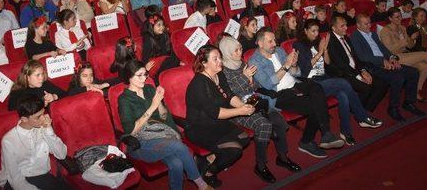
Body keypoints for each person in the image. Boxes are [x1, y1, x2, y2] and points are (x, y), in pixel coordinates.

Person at [249, 28, 344, 158]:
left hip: (295, 83)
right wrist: (286, 66)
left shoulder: (279, 51)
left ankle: (326, 133)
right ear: (260, 43)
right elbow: (268, 84)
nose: (274, 44)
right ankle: (306, 142)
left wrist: (293, 65)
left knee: (316, 88)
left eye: (274, 41)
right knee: (314, 106)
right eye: (270, 41)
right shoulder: (255, 61)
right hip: (279, 94)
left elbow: (296, 73)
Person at [118, 60, 211, 190]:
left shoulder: (149, 89)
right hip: (140, 143)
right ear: (129, 77)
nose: (144, 78)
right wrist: (153, 106)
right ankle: (201, 184)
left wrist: (160, 101)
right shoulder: (124, 99)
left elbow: (163, 117)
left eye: (145, 74)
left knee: (177, 164)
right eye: (139, 75)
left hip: (160, 134)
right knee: (179, 147)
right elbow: (131, 131)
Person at [219, 37, 300, 182]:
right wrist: (245, 78)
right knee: (264, 125)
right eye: (235, 51)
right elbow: (230, 94)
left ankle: (282, 157)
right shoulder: (222, 71)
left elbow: (255, 86)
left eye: (240, 49)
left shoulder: (242, 63)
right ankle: (260, 165)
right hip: (238, 107)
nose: (240, 53)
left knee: (279, 122)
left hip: (254, 100)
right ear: (226, 53)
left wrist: (250, 81)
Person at [295, 19, 383, 145]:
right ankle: (362, 117)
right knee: (343, 83)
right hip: (311, 82)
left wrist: (325, 50)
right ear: (305, 31)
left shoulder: (318, 42)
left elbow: (328, 63)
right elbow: (304, 70)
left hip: (324, 78)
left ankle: (345, 132)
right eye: (313, 31)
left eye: (317, 31)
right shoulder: (299, 46)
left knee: (343, 96)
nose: (316, 34)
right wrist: (320, 52)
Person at [185, 45, 253, 187]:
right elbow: (215, 112)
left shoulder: (219, 74)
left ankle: (208, 159)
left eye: (220, 58)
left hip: (216, 122)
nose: (220, 61)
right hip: (199, 128)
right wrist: (240, 111)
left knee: (245, 138)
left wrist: (242, 106)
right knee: (235, 150)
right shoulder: (199, 84)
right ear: (204, 63)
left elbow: (229, 95)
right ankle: (209, 172)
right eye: (215, 59)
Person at [347, 14, 424, 121]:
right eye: (366, 24)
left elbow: (383, 49)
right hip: (373, 66)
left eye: (370, 22)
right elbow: (362, 56)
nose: (370, 25)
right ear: (358, 25)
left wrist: (392, 57)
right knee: (398, 78)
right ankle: (393, 108)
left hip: (385, 62)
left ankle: (409, 103)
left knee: (414, 72)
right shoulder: (355, 36)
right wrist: (382, 61)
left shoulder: (373, 34)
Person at [0, 95, 70, 189]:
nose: (43, 118)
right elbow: (14, 177)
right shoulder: (9, 140)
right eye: (38, 117)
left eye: (43, 113)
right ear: (24, 119)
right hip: (18, 179)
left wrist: (49, 130)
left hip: (42, 176)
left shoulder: (43, 127)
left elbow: (61, 154)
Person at [379, 8, 427, 101]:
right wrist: (404, 41)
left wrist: (412, 39)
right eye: (397, 17)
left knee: (425, 67)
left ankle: (415, 92)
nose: (400, 18)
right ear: (390, 18)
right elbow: (389, 49)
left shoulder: (403, 28)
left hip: (405, 55)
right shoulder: (385, 31)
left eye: (400, 16)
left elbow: (410, 46)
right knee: (425, 54)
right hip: (394, 57)